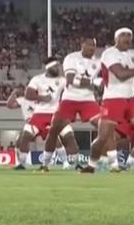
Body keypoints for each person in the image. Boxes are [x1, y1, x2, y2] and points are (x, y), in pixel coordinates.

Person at [84, 27, 134, 174]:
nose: (127, 38)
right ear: (116, 39)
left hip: (131, 98)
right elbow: (120, 74)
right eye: (123, 35)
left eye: (129, 35)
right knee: (103, 137)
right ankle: (91, 165)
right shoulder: (109, 54)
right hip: (112, 99)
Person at [42, 38, 101, 171]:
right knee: (54, 130)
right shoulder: (71, 58)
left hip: (89, 99)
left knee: (104, 127)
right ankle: (45, 164)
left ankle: (109, 162)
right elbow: (71, 79)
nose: (92, 47)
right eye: (89, 44)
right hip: (70, 98)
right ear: (82, 45)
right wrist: (94, 82)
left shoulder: (98, 62)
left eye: (94, 45)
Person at [15, 57, 66, 171]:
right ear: (49, 68)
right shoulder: (37, 79)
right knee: (25, 137)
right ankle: (22, 164)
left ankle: (66, 163)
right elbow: (28, 95)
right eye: (55, 66)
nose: (58, 68)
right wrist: (42, 98)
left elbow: (72, 88)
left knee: (55, 140)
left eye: (58, 66)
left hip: (54, 113)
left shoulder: (62, 80)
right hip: (39, 114)